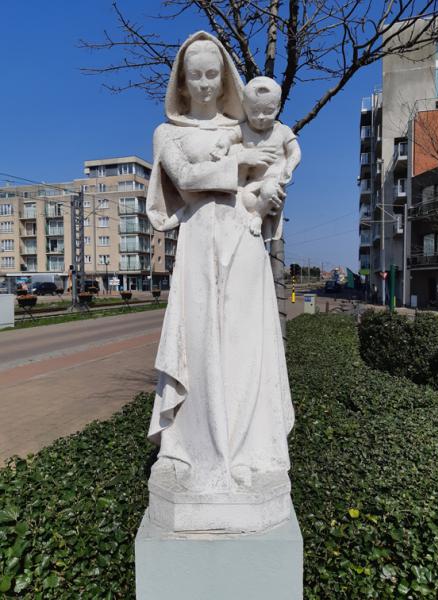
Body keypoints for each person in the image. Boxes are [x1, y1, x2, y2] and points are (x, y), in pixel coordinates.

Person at [146, 31, 295, 494]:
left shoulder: (246, 126)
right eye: (196, 76)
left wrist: (267, 193)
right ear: (182, 83)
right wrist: (242, 162)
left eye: (214, 74)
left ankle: (249, 449)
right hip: (198, 242)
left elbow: (277, 172)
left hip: (243, 239)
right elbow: (187, 179)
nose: (206, 84)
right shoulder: (168, 133)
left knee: (244, 347)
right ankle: (190, 449)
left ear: (225, 77)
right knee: (199, 344)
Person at [211, 76, 301, 237]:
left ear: (278, 107)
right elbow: (229, 137)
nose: (260, 117)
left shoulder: (282, 131)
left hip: (274, 179)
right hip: (252, 182)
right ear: (245, 107)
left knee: (268, 191)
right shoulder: (244, 129)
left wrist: (289, 166)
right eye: (254, 111)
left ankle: (258, 217)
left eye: (268, 112)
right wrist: (222, 147)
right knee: (246, 200)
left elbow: (295, 151)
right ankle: (252, 217)